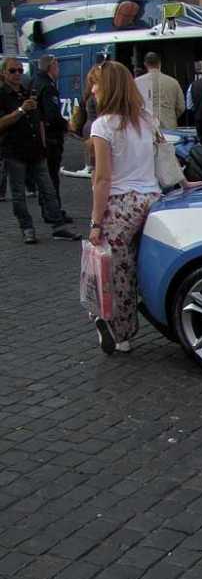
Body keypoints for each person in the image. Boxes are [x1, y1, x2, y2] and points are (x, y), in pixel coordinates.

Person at [87, 60, 163, 354]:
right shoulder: (146, 119)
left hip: (121, 204)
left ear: (107, 88)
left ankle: (120, 333)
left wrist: (95, 222)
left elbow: (103, 178)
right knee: (142, 263)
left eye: (95, 83)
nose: (92, 89)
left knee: (115, 270)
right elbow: (162, 159)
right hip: (151, 199)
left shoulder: (103, 125)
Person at [0, 57, 81, 244]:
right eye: (13, 71)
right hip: (14, 151)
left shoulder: (29, 91)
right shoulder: (3, 95)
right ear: (4, 73)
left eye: (20, 70)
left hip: (37, 150)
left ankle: (58, 227)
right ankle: (27, 228)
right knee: (19, 194)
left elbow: (40, 120)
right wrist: (20, 111)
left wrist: (44, 144)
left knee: (48, 189)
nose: (18, 74)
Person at [30, 54, 71, 208]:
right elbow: (52, 115)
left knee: (44, 174)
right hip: (51, 138)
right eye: (57, 66)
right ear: (51, 67)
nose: (59, 70)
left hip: (39, 136)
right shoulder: (48, 86)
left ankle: (46, 207)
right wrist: (66, 125)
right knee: (52, 175)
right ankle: (54, 209)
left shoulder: (35, 82)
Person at [134, 52, 185, 130]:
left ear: (145, 64)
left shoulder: (136, 82)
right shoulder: (173, 82)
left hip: (145, 128)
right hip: (169, 127)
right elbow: (181, 107)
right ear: (160, 63)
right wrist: (171, 116)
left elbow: (132, 106)